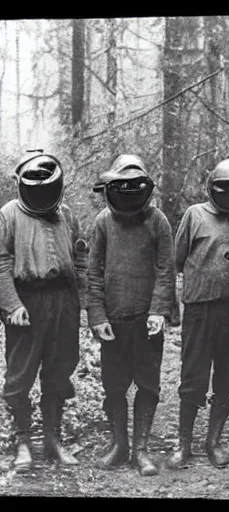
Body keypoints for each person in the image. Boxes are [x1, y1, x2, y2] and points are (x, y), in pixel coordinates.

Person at [87, 154, 176, 476]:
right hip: (113, 319)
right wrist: (97, 316)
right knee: (114, 386)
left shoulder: (157, 220)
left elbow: (167, 269)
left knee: (148, 385)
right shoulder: (103, 222)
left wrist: (158, 311)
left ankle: (141, 449)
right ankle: (120, 445)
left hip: (147, 321)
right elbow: (93, 272)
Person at [0, 149, 88, 472]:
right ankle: (23, 441)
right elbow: (1, 262)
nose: (41, 191)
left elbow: (81, 260)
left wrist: (82, 304)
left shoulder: (67, 215)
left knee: (59, 371)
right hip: (27, 302)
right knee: (19, 376)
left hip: (63, 301)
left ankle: (53, 439)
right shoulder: (8, 215)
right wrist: (12, 305)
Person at [167, 156, 229, 470]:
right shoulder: (195, 215)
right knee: (193, 376)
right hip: (200, 308)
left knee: (228, 376)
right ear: (211, 188)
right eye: (224, 189)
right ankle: (184, 443)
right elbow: (175, 261)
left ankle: (213, 440)